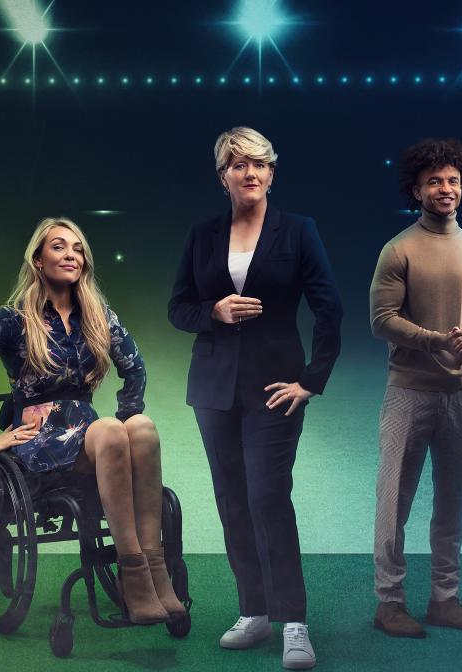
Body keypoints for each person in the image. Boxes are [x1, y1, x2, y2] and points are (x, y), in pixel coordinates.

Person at [0, 217, 185, 625]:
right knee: (108, 430)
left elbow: (136, 369)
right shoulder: (13, 319)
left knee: (140, 427)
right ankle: (134, 574)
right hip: (39, 439)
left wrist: (126, 421)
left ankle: (155, 570)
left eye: (77, 248)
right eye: (58, 246)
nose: (70, 254)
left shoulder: (99, 315)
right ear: (38, 259)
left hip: (89, 434)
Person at [168, 127, 342, 670]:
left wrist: (311, 380)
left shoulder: (298, 231)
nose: (251, 173)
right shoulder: (202, 235)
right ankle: (254, 611)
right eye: (239, 164)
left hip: (275, 389)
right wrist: (213, 312)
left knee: (268, 496)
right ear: (223, 177)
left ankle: (294, 623)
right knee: (232, 500)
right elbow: (179, 309)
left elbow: (329, 309)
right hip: (214, 391)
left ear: (271, 173)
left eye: (260, 164)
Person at [369, 138, 462, 638]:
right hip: (408, 393)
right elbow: (381, 320)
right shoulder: (398, 249)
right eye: (434, 182)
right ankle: (389, 603)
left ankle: (445, 599)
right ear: (416, 190)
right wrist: (437, 341)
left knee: (452, 500)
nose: (445, 189)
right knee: (393, 502)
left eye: (453, 181)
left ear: (461, 188)